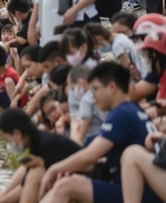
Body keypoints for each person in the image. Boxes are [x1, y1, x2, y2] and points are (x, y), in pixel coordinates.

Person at [39, 62, 157, 203]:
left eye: (95, 89)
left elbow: (90, 156)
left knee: (66, 187)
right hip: (143, 188)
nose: (92, 96)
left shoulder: (121, 114)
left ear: (112, 87)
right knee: (71, 181)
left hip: (140, 194)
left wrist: (54, 168)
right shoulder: (134, 109)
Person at [0, 108, 82, 203]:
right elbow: (24, 186)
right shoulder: (37, 142)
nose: (8, 143)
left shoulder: (47, 144)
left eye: (6, 139)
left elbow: (30, 183)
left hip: (86, 182)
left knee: (36, 172)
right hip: (71, 182)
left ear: (17, 133)